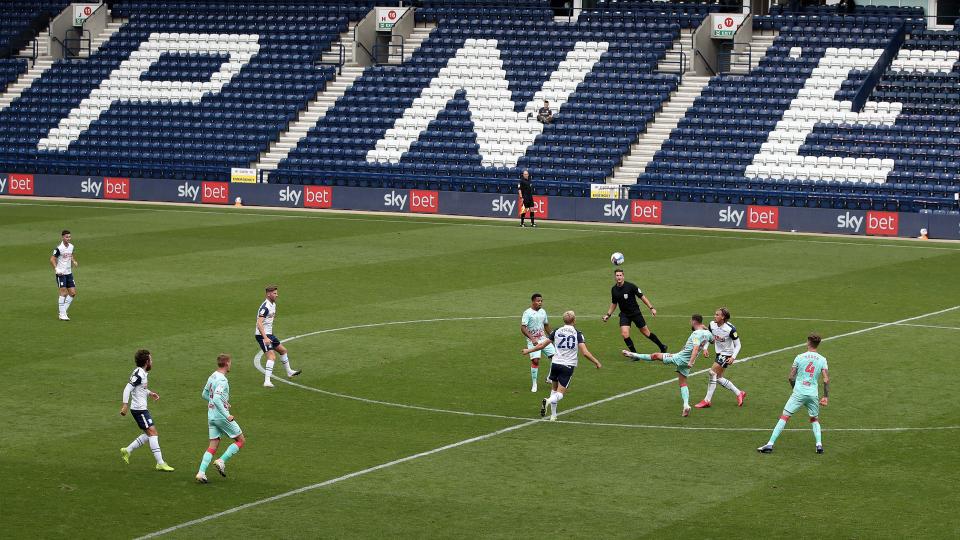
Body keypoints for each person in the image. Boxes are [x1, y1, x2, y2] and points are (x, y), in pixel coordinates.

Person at [622, 314, 713, 417]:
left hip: (681, 358)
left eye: (690, 321)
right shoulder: (707, 333)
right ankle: (686, 405)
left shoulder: (696, 334)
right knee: (683, 382)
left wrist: (690, 361)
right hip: (687, 361)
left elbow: (696, 347)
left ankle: (632, 354)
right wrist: (705, 344)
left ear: (694, 322)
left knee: (655, 356)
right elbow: (712, 340)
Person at [522, 310, 602, 421]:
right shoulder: (577, 334)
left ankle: (553, 416)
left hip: (555, 364)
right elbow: (585, 353)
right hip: (567, 365)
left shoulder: (556, 331)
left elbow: (542, 345)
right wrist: (596, 361)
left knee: (553, 389)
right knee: (560, 393)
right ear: (574, 320)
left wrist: (528, 350)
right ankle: (548, 401)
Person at [758, 334, 830, 454]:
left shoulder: (799, 357)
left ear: (808, 342)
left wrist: (795, 389)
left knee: (784, 417)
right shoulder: (822, 359)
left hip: (799, 392)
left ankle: (770, 444)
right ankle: (819, 445)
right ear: (818, 344)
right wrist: (826, 396)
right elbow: (826, 379)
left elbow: (791, 377)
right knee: (814, 419)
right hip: (813, 394)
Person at [119, 349, 174, 471]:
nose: (152, 362)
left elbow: (140, 388)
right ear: (146, 362)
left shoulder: (141, 373)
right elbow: (127, 389)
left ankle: (127, 450)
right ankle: (160, 463)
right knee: (153, 433)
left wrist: (150, 393)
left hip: (140, 409)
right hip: (139, 410)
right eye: (151, 359)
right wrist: (124, 405)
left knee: (148, 433)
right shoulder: (139, 374)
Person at [196, 354, 245, 483]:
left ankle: (201, 473)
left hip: (211, 415)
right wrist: (226, 414)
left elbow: (204, 394)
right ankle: (221, 461)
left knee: (213, 445)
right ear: (227, 363)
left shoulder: (212, 376)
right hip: (220, 416)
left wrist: (221, 401)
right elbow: (216, 398)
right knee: (240, 440)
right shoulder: (223, 380)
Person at [602, 268, 668, 354]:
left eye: (620, 275)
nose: (619, 277)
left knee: (646, 332)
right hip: (624, 315)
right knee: (624, 334)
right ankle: (634, 355)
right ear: (615, 277)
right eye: (617, 275)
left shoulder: (631, 286)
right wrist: (608, 314)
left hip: (635, 313)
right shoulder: (614, 289)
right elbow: (614, 303)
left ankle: (662, 347)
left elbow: (642, 297)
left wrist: (651, 308)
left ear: (623, 276)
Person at [694, 307, 746, 408]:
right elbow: (708, 336)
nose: (715, 316)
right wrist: (705, 348)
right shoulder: (712, 324)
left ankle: (707, 400)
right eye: (715, 314)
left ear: (723, 317)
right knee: (718, 378)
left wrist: (733, 357)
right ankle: (739, 393)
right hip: (719, 353)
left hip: (727, 354)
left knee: (712, 372)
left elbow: (738, 345)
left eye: (717, 315)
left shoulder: (731, 329)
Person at [256, 285, 301, 388]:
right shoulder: (265, 307)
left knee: (283, 350)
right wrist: (265, 338)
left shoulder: (273, 304)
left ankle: (289, 372)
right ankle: (267, 381)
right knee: (271, 356)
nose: (277, 295)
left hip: (269, 334)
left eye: (277, 293)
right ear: (268, 294)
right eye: (275, 293)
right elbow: (259, 323)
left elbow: (269, 317)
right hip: (262, 335)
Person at [521, 293, 555, 393]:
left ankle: (549, 378)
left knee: (555, 357)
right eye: (538, 301)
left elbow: (546, 325)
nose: (540, 302)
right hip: (533, 340)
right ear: (533, 301)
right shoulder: (527, 313)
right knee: (535, 361)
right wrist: (532, 339)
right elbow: (523, 327)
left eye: (541, 301)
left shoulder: (543, 312)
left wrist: (553, 336)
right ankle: (534, 384)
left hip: (543, 339)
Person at [50, 229, 78, 320]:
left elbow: (70, 255)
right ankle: (62, 314)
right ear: (62, 237)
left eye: (69, 237)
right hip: (61, 273)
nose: (68, 238)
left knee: (73, 293)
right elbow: (52, 259)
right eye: (66, 237)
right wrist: (56, 269)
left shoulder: (71, 246)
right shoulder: (58, 248)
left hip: (69, 273)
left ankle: (63, 311)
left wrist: (73, 261)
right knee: (63, 292)